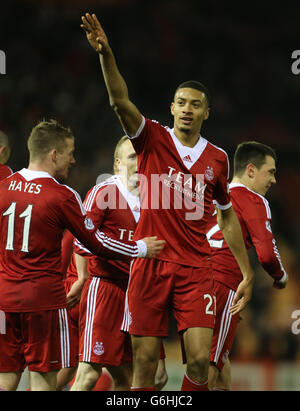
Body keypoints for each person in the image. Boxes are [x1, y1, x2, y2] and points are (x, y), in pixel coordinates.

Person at [80, 13, 254, 391]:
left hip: (195, 267)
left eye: (195, 104)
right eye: (181, 103)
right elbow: (118, 100)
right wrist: (105, 54)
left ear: (206, 112)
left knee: (198, 364)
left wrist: (248, 270)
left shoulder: (219, 159)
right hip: (150, 266)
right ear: (172, 108)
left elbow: (227, 219)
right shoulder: (152, 138)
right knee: (144, 365)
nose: (187, 109)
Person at [0, 120, 165, 391]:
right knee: (47, 380)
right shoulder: (63, 195)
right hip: (44, 302)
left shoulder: (4, 187)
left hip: (4, 299)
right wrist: (140, 249)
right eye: (69, 152)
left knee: (6, 380)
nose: (74, 160)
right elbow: (94, 242)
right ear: (54, 155)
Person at [58, 136, 168, 391]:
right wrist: (83, 278)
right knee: (87, 374)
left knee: (138, 379)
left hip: (140, 294)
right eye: (131, 156)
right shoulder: (104, 192)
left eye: (141, 155)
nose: (138, 161)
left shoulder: (157, 199)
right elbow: (82, 240)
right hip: (105, 289)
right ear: (117, 163)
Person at [206, 141, 288, 390]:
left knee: (220, 359)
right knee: (210, 363)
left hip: (194, 278)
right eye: (271, 172)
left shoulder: (213, 195)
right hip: (224, 281)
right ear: (251, 170)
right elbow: (267, 254)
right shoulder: (252, 199)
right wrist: (280, 276)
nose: (273, 180)